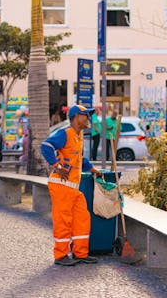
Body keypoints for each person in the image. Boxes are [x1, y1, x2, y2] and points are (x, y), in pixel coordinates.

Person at [41, 104, 101, 267]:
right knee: (63, 221)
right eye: (86, 115)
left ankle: (80, 253)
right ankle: (60, 255)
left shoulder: (78, 135)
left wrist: (93, 169)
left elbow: (79, 158)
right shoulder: (65, 133)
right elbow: (45, 146)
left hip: (73, 187)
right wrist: (57, 166)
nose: (89, 118)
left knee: (82, 218)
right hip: (61, 185)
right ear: (76, 117)